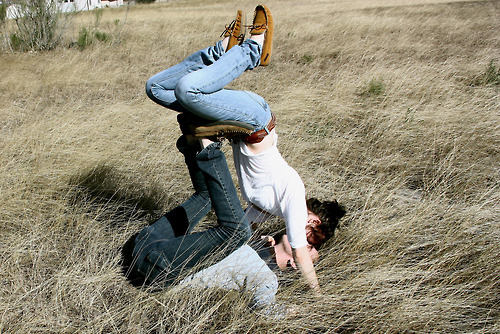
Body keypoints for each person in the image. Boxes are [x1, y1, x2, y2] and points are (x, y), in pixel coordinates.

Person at [144, 5, 345, 294]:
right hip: (255, 121)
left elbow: (235, 229)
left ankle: (220, 51)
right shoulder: (294, 196)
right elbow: (300, 254)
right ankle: (254, 49)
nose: (304, 242)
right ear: (312, 221)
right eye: (311, 238)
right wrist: (319, 295)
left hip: (238, 125)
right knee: (188, 90)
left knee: (157, 88)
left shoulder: (267, 207)